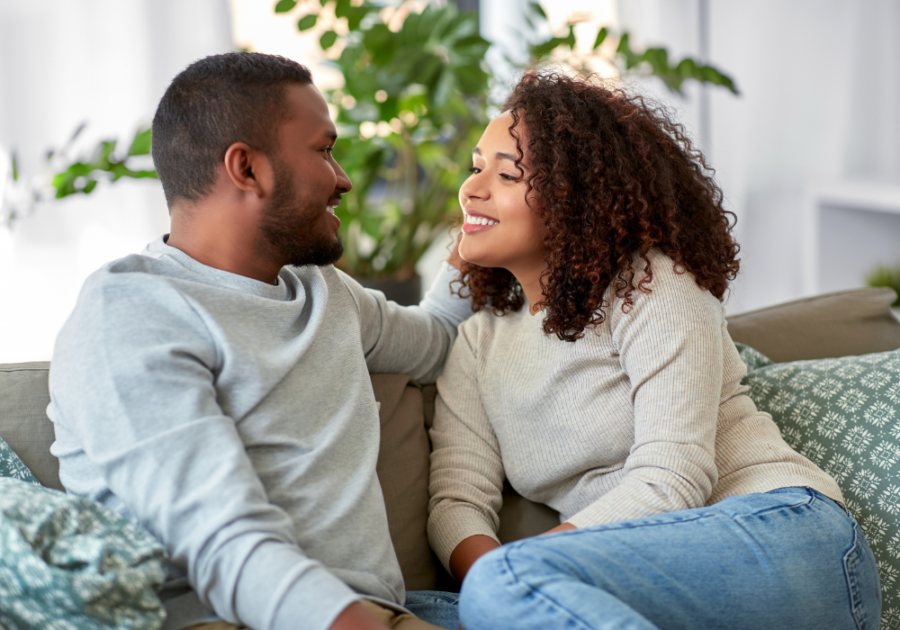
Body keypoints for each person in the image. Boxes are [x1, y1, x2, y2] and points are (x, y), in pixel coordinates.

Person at [427, 71, 882, 630]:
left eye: (505, 175)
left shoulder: (650, 285)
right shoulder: (478, 343)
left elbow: (674, 478)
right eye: (476, 168)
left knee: (502, 589)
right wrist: (498, 580)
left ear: (577, 196)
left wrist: (522, 570)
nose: (470, 190)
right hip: (631, 574)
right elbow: (457, 502)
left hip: (783, 534)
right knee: (417, 609)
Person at [47, 52, 468, 630]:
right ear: (246, 168)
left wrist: (481, 224)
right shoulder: (131, 313)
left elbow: (441, 337)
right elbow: (224, 543)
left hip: (381, 612)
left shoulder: (326, 293)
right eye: (323, 150)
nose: (343, 179)